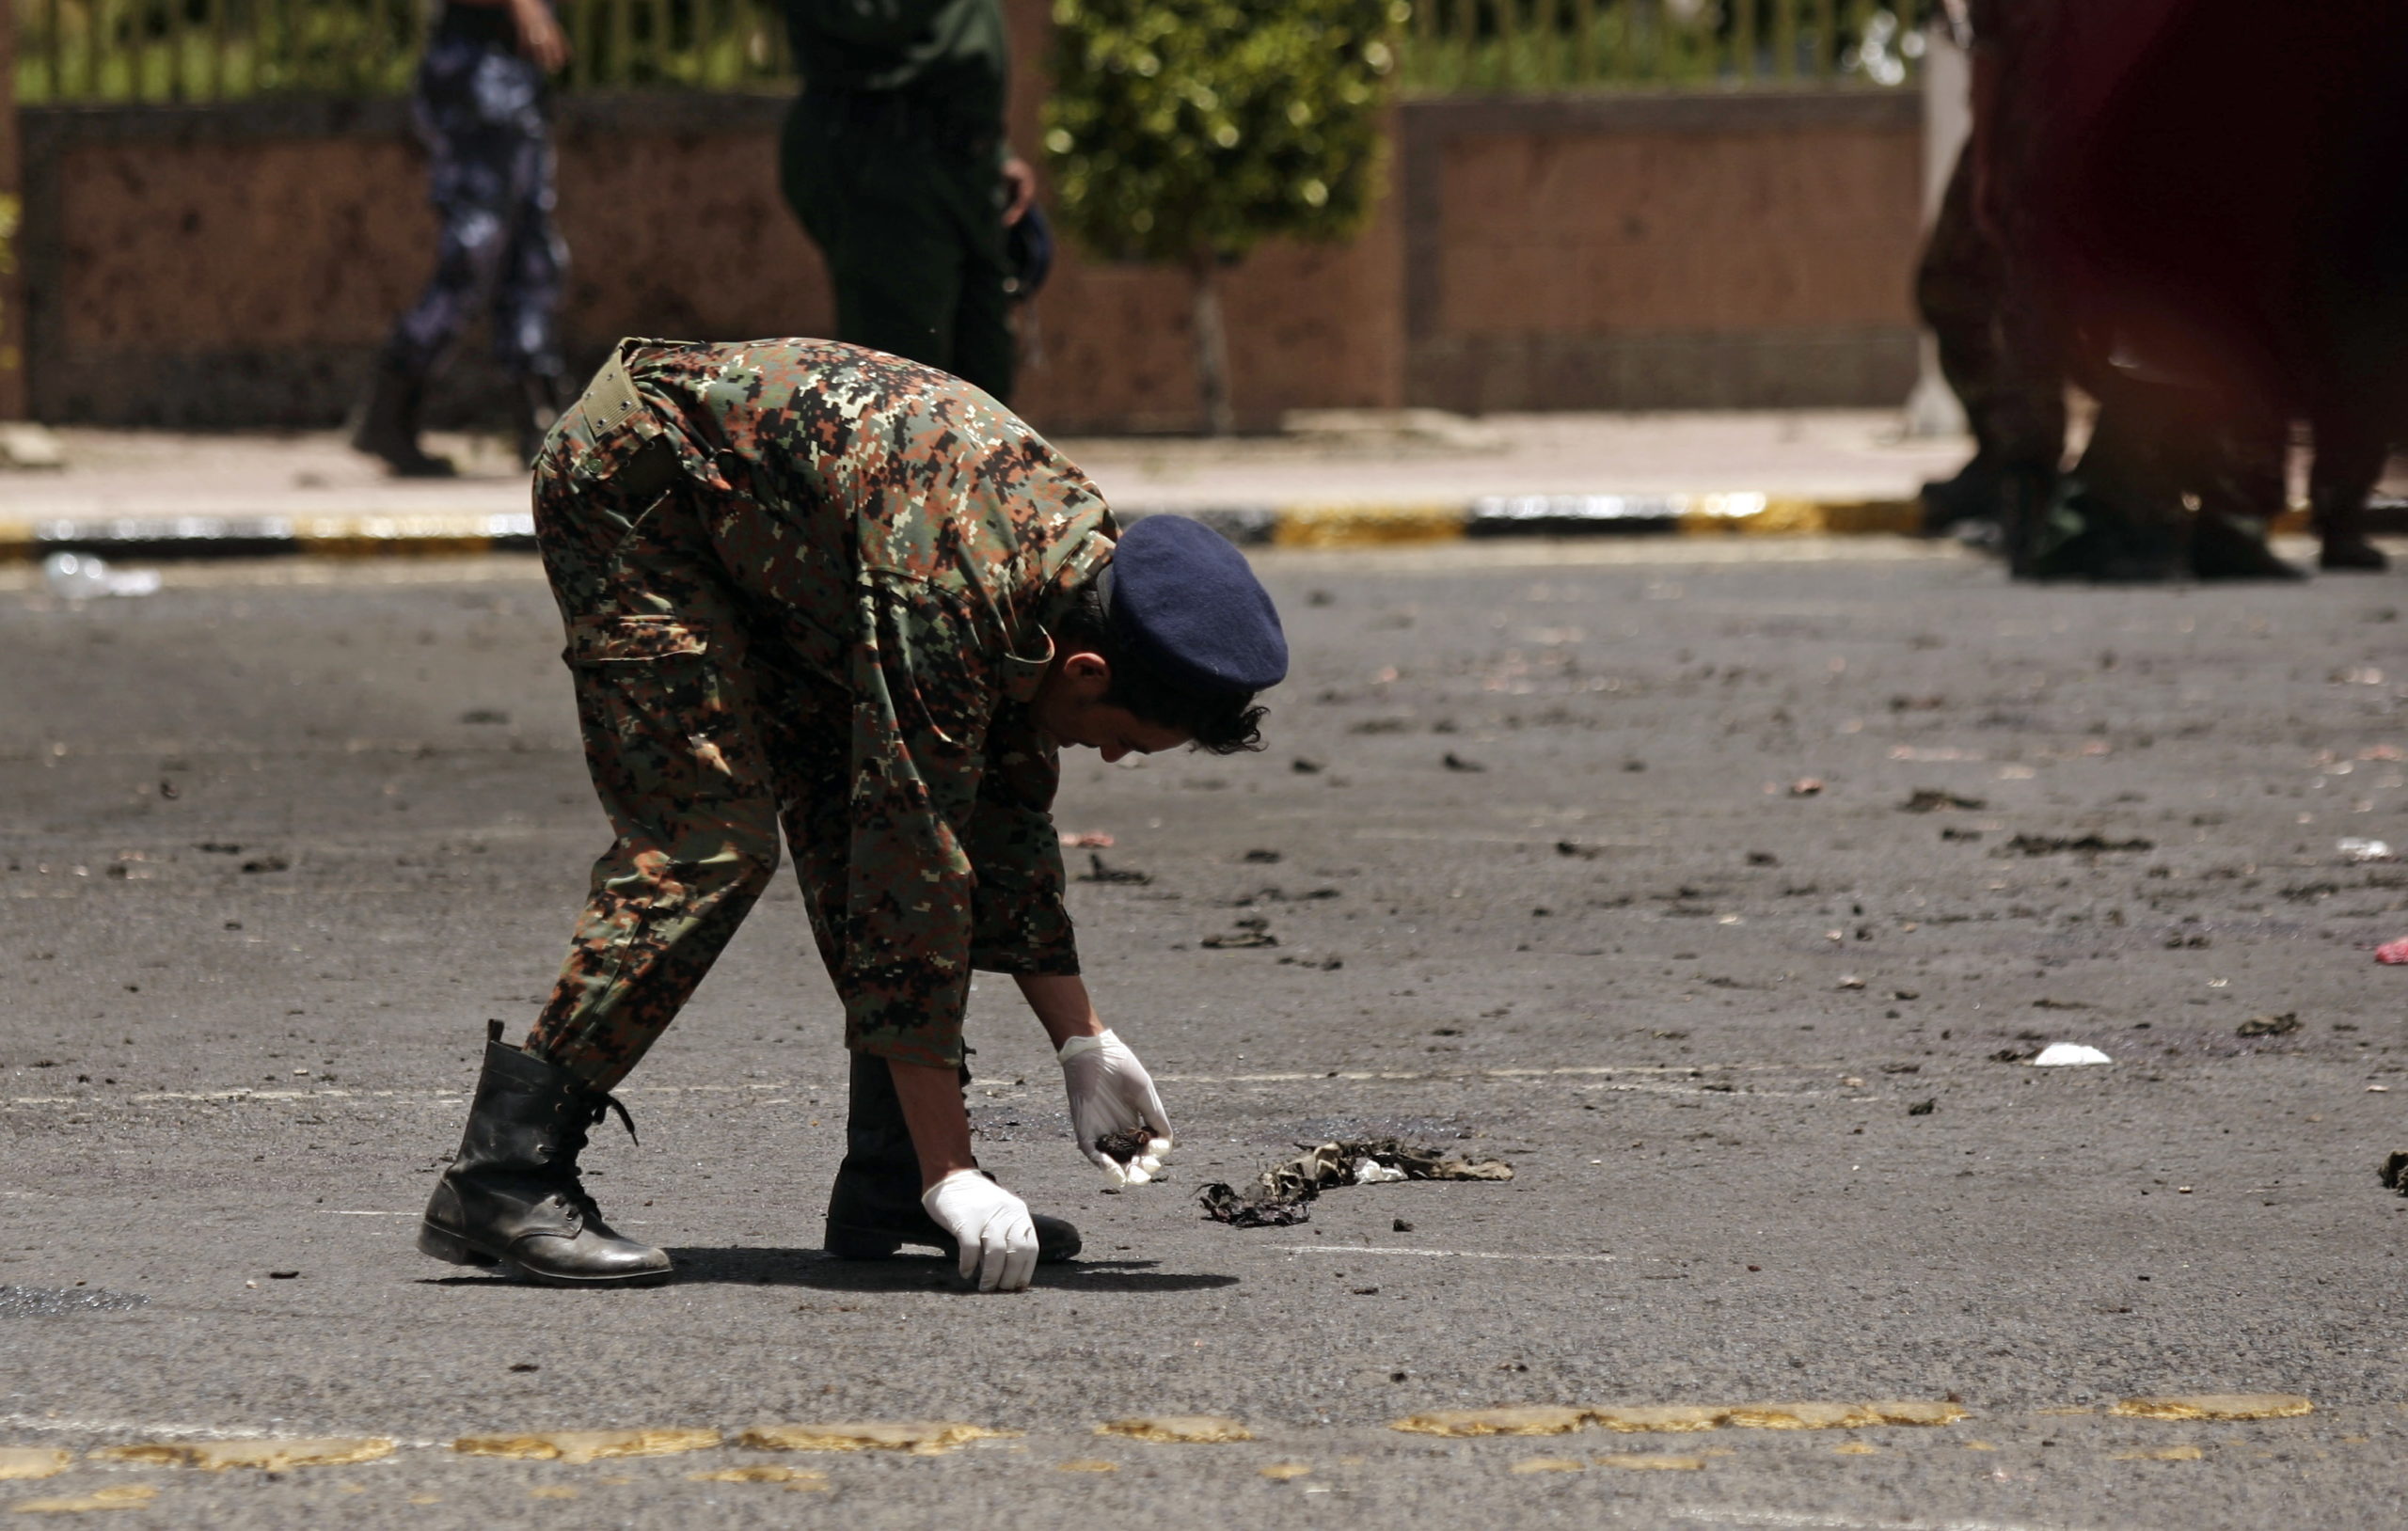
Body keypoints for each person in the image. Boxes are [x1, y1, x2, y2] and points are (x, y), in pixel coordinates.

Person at [417, 338, 1288, 1292]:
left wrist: (1081, 1035)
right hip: (645, 491)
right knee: (708, 841)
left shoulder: (1070, 575)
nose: (1111, 757)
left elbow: (1002, 815)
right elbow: (911, 858)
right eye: (1122, 738)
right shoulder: (951, 589)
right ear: (1088, 671)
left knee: (855, 813)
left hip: (781, 548)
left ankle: (890, 1177)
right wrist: (958, 1162)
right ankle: (502, 1173)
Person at [777, 0, 1037, 403]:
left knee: (985, 387)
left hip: (964, 162)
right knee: (901, 387)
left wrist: (995, 151)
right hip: (886, 156)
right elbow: (865, 20)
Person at [354, 0, 572, 477]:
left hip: (513, 71)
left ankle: (541, 421)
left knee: (531, 250)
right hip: (477, 69)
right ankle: (390, 409)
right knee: (475, 250)